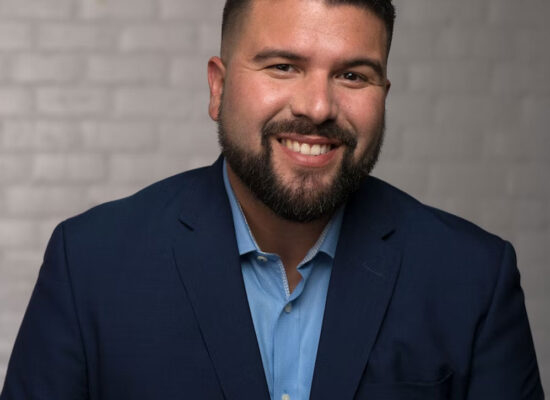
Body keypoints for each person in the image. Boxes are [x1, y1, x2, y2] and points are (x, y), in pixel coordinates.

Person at [1, 0, 544, 399]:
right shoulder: (90, 264)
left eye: (353, 75)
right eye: (284, 66)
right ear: (218, 88)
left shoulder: (473, 278)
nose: (318, 106)